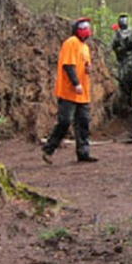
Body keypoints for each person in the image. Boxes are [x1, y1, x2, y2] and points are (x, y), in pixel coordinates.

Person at [42, 17, 98, 163]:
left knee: (83, 123)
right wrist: (76, 83)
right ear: (76, 29)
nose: (86, 29)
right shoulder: (70, 43)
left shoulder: (85, 47)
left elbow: (85, 66)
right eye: (83, 26)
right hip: (69, 92)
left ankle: (83, 153)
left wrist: (88, 69)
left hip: (83, 93)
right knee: (65, 121)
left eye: (87, 26)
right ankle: (49, 149)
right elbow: (68, 65)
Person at [111, 13, 132, 113]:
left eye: (124, 20)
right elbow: (114, 46)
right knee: (122, 82)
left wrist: (130, 45)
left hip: (131, 61)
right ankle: (122, 104)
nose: (123, 22)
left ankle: (129, 103)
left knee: (130, 82)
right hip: (122, 61)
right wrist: (120, 49)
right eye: (121, 20)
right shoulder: (117, 33)